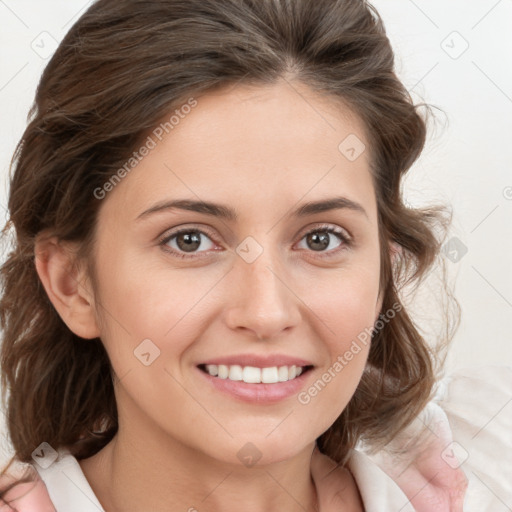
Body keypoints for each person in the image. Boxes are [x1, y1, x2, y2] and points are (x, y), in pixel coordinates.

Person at [1, 0, 509, 510]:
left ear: (383, 269)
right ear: (74, 284)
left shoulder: (488, 475)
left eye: (320, 239)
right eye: (189, 240)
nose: (266, 313)